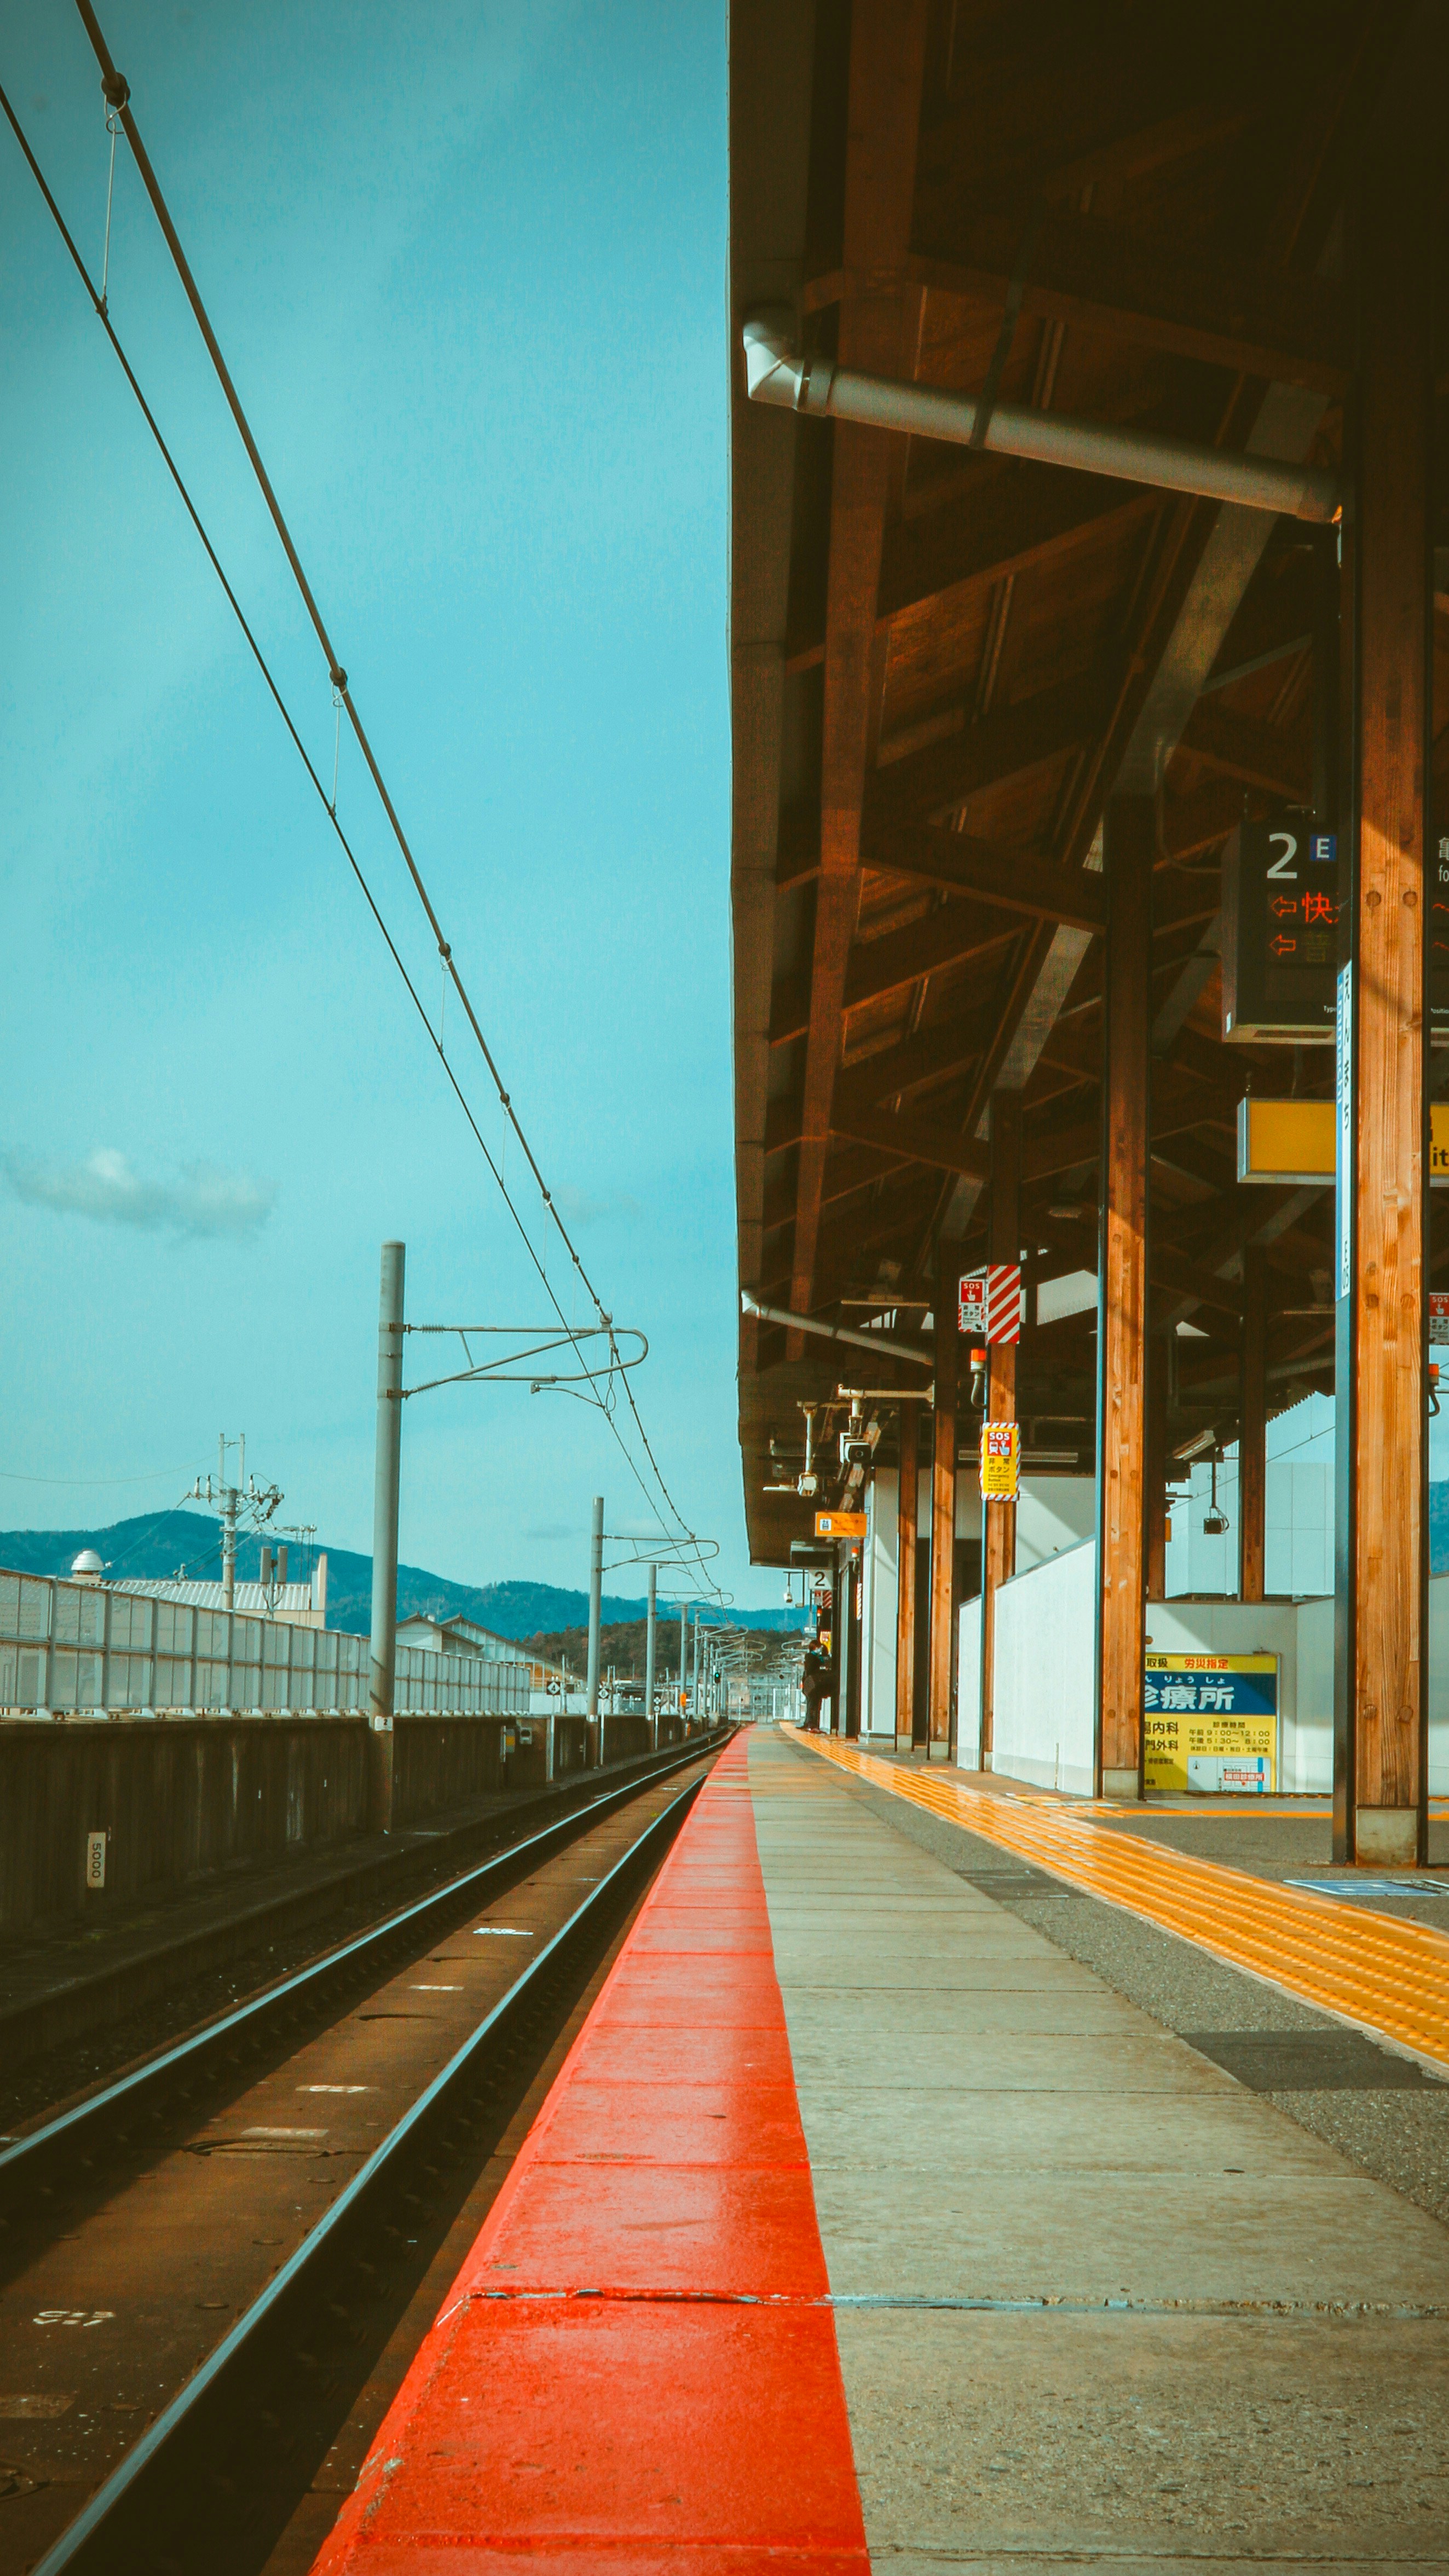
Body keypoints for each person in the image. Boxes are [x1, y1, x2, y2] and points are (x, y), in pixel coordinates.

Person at [800, 1643, 834, 1731]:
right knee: (814, 1705)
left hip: (811, 1685)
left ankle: (809, 1724)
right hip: (814, 1685)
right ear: (814, 1647)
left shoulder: (810, 1657)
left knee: (811, 1705)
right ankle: (812, 1725)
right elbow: (815, 1669)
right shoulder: (812, 1658)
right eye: (819, 1647)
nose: (820, 1649)